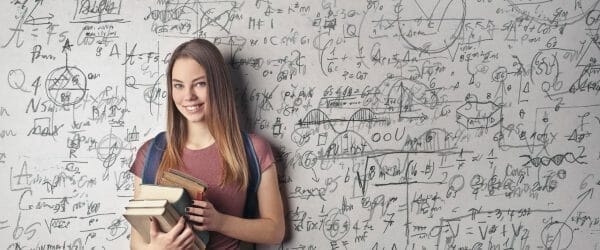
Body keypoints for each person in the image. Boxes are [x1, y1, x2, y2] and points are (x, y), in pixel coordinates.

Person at [129, 38, 285, 249]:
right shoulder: (150, 154)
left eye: (200, 84)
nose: (188, 96)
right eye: (178, 86)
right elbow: (137, 241)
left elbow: (275, 231)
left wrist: (220, 222)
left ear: (218, 86)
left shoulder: (254, 150)